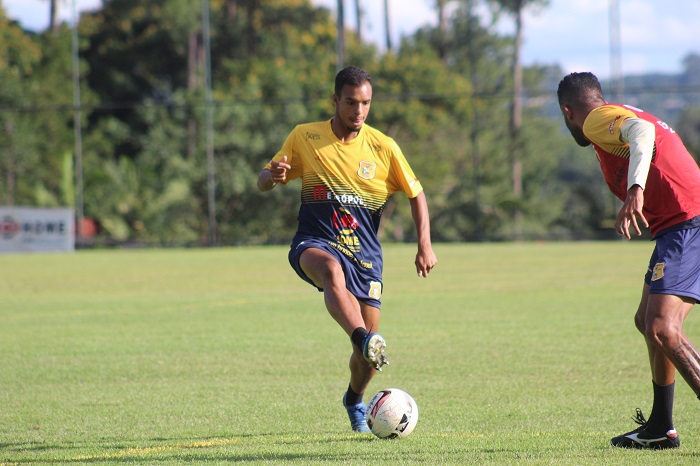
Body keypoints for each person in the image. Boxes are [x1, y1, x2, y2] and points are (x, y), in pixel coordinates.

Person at [257, 66, 437, 433]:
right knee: (332, 273)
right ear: (335, 100)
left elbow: (416, 194)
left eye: (366, 103)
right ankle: (363, 338)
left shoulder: (384, 147)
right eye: (351, 102)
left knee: (368, 360)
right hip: (315, 242)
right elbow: (264, 179)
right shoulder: (305, 137)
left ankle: (354, 397)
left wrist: (424, 245)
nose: (359, 110)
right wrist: (272, 176)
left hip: (366, 255)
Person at [557, 71, 700, 450]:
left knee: (663, 328)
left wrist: (634, 188)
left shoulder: (595, 119)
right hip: (677, 226)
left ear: (567, 111)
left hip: (690, 221)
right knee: (647, 321)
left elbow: (641, 133)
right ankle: (661, 427)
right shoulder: (611, 117)